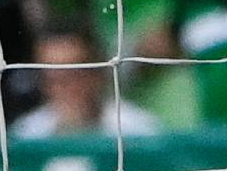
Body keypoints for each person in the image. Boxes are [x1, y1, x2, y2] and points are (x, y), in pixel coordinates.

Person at [12, 24, 159, 139]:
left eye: (75, 73)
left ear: (98, 73)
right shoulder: (26, 136)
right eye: (52, 75)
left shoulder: (140, 133)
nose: (64, 85)